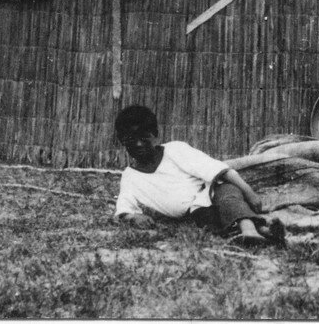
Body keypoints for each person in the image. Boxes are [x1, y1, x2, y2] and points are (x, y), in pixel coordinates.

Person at [113, 105, 281, 246]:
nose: (139, 144)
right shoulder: (130, 176)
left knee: (228, 194)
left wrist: (249, 192)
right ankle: (264, 232)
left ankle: (249, 229)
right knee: (211, 224)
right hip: (195, 213)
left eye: (144, 138)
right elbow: (124, 206)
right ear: (122, 141)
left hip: (212, 191)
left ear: (155, 134)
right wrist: (132, 217)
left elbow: (216, 168)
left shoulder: (174, 150)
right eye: (131, 140)